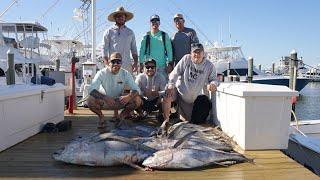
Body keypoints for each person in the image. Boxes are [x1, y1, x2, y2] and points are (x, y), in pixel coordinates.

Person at [160, 43, 218, 134]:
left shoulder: (209, 66)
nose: (197, 55)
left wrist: (213, 84)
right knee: (167, 95)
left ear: (203, 54)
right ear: (191, 53)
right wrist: (171, 85)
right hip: (179, 93)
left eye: (199, 52)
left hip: (192, 100)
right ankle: (166, 121)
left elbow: (214, 79)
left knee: (188, 122)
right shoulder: (186, 59)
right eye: (195, 52)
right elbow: (174, 73)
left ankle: (178, 113)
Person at [87, 52, 142, 130]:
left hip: (120, 101)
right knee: (90, 100)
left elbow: (137, 90)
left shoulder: (126, 74)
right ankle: (101, 117)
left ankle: (121, 116)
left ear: (121, 63)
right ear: (109, 62)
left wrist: (129, 97)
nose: (116, 64)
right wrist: (105, 98)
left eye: (118, 62)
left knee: (137, 100)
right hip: (104, 102)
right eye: (113, 62)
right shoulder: (101, 73)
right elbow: (91, 89)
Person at [102, 6, 138, 119]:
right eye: (118, 15)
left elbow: (134, 48)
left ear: (125, 18)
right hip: (114, 65)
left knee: (128, 88)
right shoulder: (108, 31)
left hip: (127, 63)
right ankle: (115, 114)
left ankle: (129, 112)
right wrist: (106, 62)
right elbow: (104, 48)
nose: (120, 17)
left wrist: (136, 62)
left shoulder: (130, 32)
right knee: (115, 89)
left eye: (122, 15)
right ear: (115, 18)